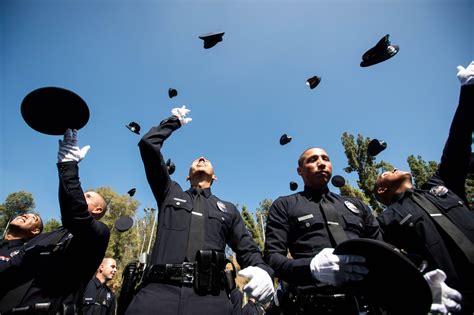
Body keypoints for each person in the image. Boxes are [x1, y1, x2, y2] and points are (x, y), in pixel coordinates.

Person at [125, 107, 274, 315]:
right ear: (187, 176)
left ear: (215, 177)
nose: (202, 158)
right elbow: (148, 145)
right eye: (196, 160)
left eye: (207, 160)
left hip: (211, 300)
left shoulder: (228, 209)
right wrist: (174, 121)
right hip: (156, 295)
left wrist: (263, 271)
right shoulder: (169, 192)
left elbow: (248, 250)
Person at [375, 61, 474, 314]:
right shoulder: (385, 220)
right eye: (384, 174)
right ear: (381, 192)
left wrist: (468, 93)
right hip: (458, 302)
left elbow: (457, 143)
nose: (392, 168)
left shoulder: (439, 185)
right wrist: (417, 293)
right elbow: (390, 267)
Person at [0, 129, 110, 314]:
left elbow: (76, 216)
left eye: (88, 196)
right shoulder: (46, 237)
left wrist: (68, 166)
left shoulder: (99, 233)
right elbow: (14, 263)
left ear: (98, 210)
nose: (82, 195)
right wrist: (65, 169)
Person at [264, 147, 382, 314]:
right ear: (300, 170)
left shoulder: (357, 205)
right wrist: (309, 267)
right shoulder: (285, 205)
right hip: (313, 305)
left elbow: (381, 249)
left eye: (325, 159)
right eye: (312, 160)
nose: (321, 163)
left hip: (367, 303)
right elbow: (272, 256)